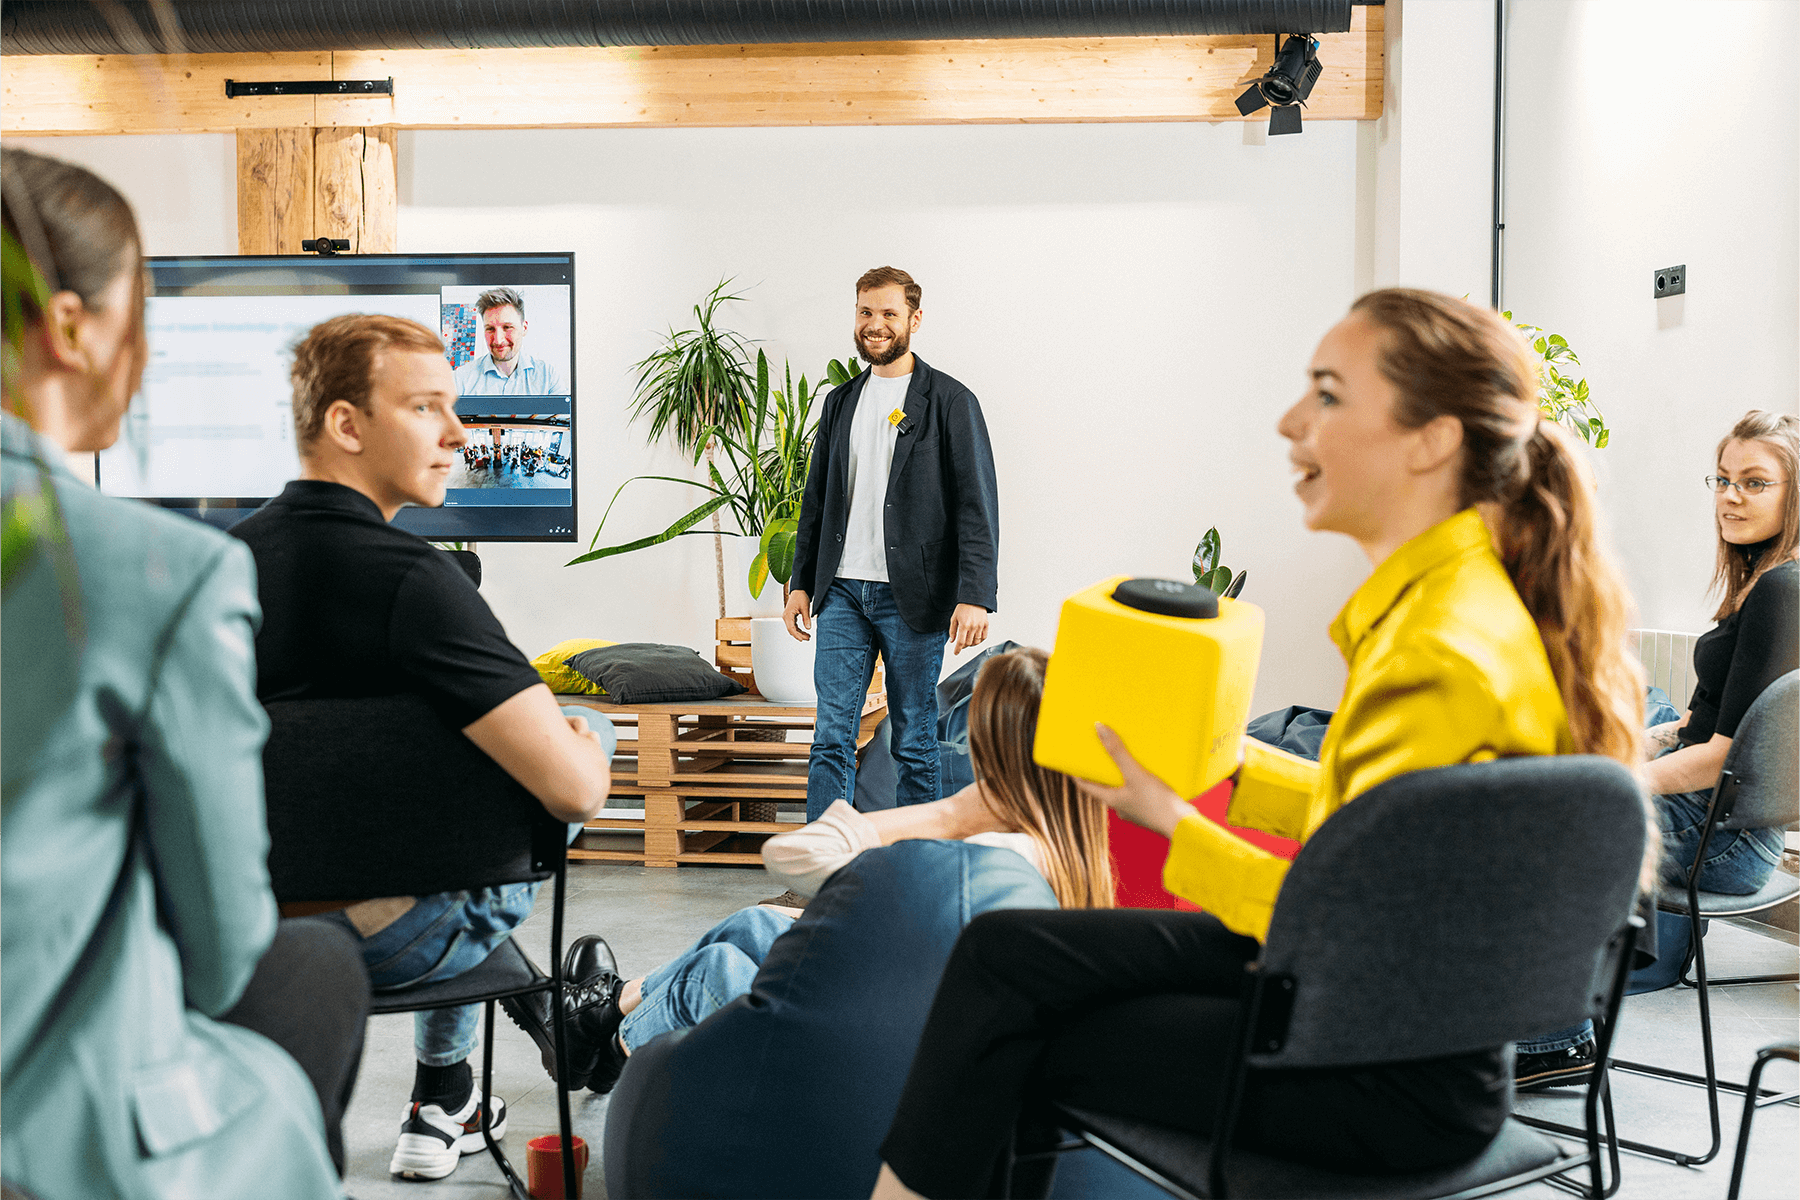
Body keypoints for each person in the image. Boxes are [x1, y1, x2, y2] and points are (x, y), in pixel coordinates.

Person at [871, 288, 1656, 1199]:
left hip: (1372, 1079)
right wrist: (1226, 770)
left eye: (1327, 394)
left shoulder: (1436, 653)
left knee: (1013, 1009)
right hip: (1415, 1038)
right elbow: (1383, 840)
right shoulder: (1475, 610)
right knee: (1013, 954)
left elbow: (1331, 919)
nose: (1291, 422)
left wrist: (1173, 820)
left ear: (1432, 439)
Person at [1, 147, 367, 1198]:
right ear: (71, 329)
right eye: (144, 316)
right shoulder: (159, 573)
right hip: (50, 1141)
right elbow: (221, 948)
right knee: (310, 971)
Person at [229, 312, 619, 1182]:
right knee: (557, 761)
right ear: (346, 422)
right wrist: (587, 745)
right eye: (427, 408)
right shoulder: (419, 583)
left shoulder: (219, 563)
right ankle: (444, 1087)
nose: (456, 434)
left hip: (241, 928)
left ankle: (453, 1085)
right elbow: (571, 796)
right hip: (396, 936)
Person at [573, 648, 1113, 1096]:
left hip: (881, 1071)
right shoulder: (1077, 855)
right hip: (914, 1031)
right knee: (755, 926)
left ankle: (603, 1049)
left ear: (993, 761)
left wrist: (950, 813)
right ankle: (606, 1004)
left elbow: (792, 856)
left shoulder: (983, 862)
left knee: (711, 973)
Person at [1515, 408, 1800, 1089]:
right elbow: (1703, 724)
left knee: (1548, 814)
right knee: (1624, 699)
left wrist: (1607, 777)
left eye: (1755, 483)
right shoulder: (1763, 578)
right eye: (1724, 479)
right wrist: (1633, 743)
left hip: (1725, 840)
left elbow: (1718, 759)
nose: (1730, 497)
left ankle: (1557, 1039)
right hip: (1728, 820)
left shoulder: (1784, 589)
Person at [783, 267, 1001, 884]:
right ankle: (821, 873)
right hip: (843, 593)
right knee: (832, 733)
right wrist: (801, 581)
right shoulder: (841, 402)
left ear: (913, 319)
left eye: (886, 314)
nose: (873, 326)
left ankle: (913, 873)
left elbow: (975, 505)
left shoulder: (951, 402)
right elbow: (817, 499)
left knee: (912, 739)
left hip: (919, 597)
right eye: (863, 313)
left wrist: (974, 595)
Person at [453, 286, 566, 395]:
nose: (498, 340)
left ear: (524, 328)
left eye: (507, 327)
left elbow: (564, 415)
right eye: (490, 329)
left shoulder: (547, 377)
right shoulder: (461, 379)